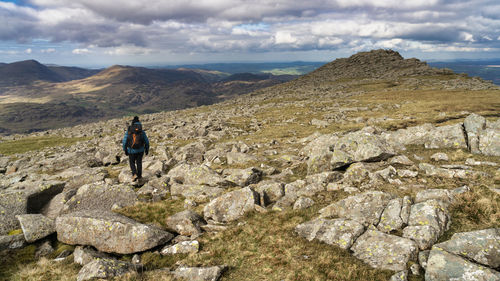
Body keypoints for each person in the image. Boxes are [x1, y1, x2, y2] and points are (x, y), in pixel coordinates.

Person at [122, 116, 149, 181]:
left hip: (131, 151)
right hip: (140, 150)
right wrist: (147, 149)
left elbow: (124, 141)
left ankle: (134, 174)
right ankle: (139, 176)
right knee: (139, 162)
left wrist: (125, 149)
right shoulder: (141, 131)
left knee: (132, 162)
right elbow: (146, 141)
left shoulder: (129, 131)